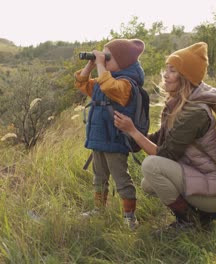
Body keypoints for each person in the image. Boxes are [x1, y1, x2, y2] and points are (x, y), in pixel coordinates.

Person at [114, 42, 216, 229]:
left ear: (186, 77)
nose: (165, 75)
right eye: (167, 69)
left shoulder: (194, 113)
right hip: (201, 180)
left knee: (152, 166)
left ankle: (188, 221)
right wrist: (129, 132)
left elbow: (164, 155)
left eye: (173, 71)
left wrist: (133, 132)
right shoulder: (179, 104)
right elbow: (160, 139)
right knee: (149, 183)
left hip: (214, 189)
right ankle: (199, 215)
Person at [74, 38, 145, 230]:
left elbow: (111, 88)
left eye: (108, 57)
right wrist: (90, 65)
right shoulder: (104, 78)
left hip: (115, 138)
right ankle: (99, 210)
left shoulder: (126, 83)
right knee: (99, 176)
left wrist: (100, 64)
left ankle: (129, 217)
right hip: (99, 137)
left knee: (121, 178)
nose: (103, 61)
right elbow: (82, 83)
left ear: (122, 62)